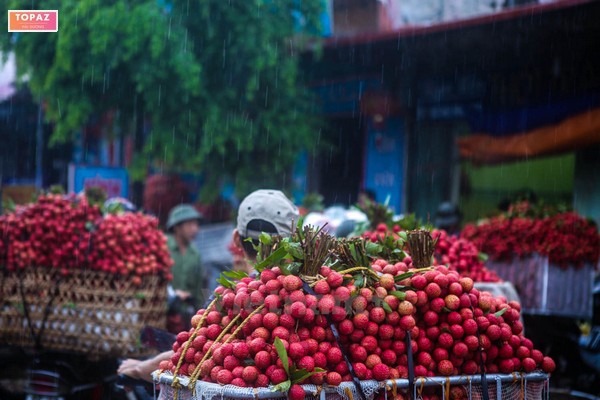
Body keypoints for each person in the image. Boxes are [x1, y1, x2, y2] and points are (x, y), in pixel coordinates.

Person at [118, 189, 299, 382]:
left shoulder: (229, 298)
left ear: (236, 239)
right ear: (293, 244)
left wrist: (140, 369)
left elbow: (191, 353)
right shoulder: (313, 295)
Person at [165, 204, 205, 309]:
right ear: (177, 227)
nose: (195, 229)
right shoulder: (163, 245)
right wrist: (171, 295)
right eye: (190, 224)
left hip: (184, 315)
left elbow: (199, 290)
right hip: (159, 311)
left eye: (196, 225)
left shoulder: (195, 254)